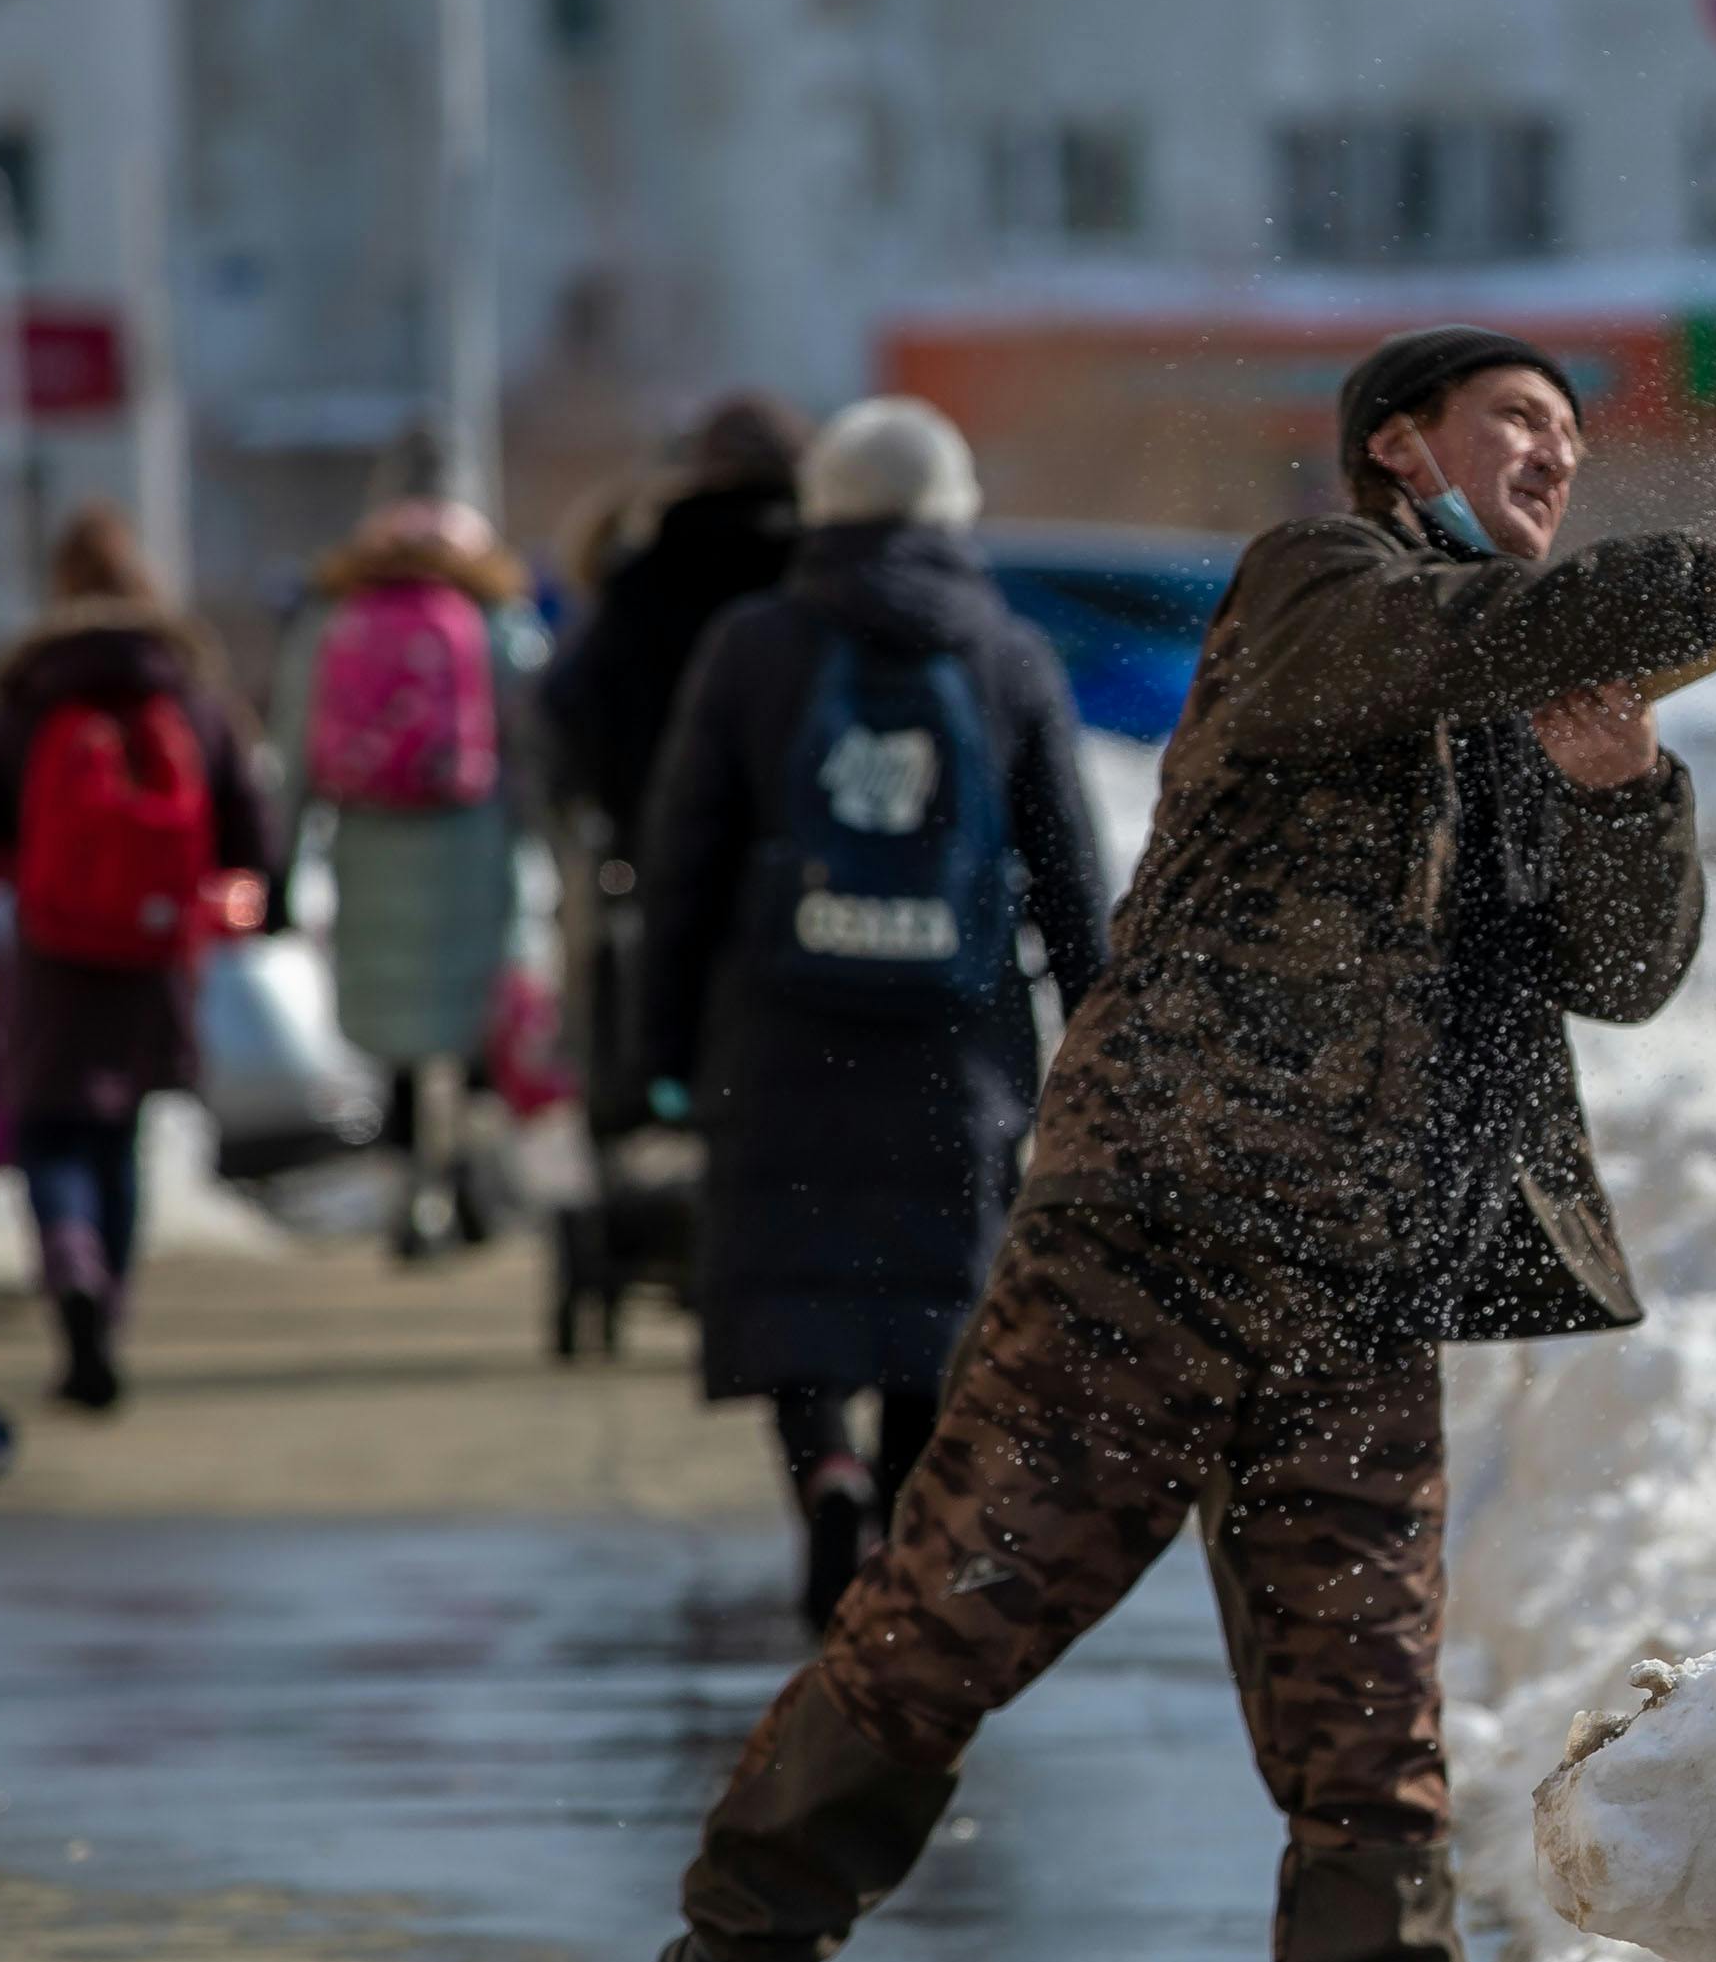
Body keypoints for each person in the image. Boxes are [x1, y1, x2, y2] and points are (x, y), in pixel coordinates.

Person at [651, 325, 1716, 1962]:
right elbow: (1427, 646)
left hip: (1362, 1285)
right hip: (1155, 1239)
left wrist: (1623, 783)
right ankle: (739, 1956)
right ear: (1402, 445)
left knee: (1365, 1728)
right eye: (1514, 427)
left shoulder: (1524, 680)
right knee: (954, 1626)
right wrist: (1703, 587)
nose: (1552, 459)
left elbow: (1621, 972)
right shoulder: (1326, 590)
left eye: (1570, 438)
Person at [636, 399, 1108, 1628]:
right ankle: (896, 1523)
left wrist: (658, 1049)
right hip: (955, 1037)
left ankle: (825, 1476)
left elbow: (682, 857)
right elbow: (1066, 865)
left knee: (788, 1281)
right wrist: (1095, 1036)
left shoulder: (753, 646)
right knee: (932, 1290)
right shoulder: (1006, 652)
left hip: (781, 1025)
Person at [0, 507, 282, 1412]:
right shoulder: (189, 692)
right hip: (158, 953)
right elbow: (249, 838)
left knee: (50, 1132)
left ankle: (70, 1268)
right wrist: (232, 913)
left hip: (52, 953)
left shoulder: (32, 690)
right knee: (120, 1138)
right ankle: (110, 1308)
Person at [273, 496, 542, 1260]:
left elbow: (294, 746)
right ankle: (464, 1180)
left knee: (392, 1037)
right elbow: (531, 749)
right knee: (470, 1026)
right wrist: (542, 843)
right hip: (471, 849)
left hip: (368, 847)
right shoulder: (495, 622)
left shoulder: (332, 621)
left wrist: (284, 857)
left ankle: (406, 1196)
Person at [546, 397, 806, 1120]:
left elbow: (574, 715)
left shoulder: (639, 581)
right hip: (809, 866)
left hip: (659, 859)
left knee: (678, 1046)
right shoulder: (819, 575)